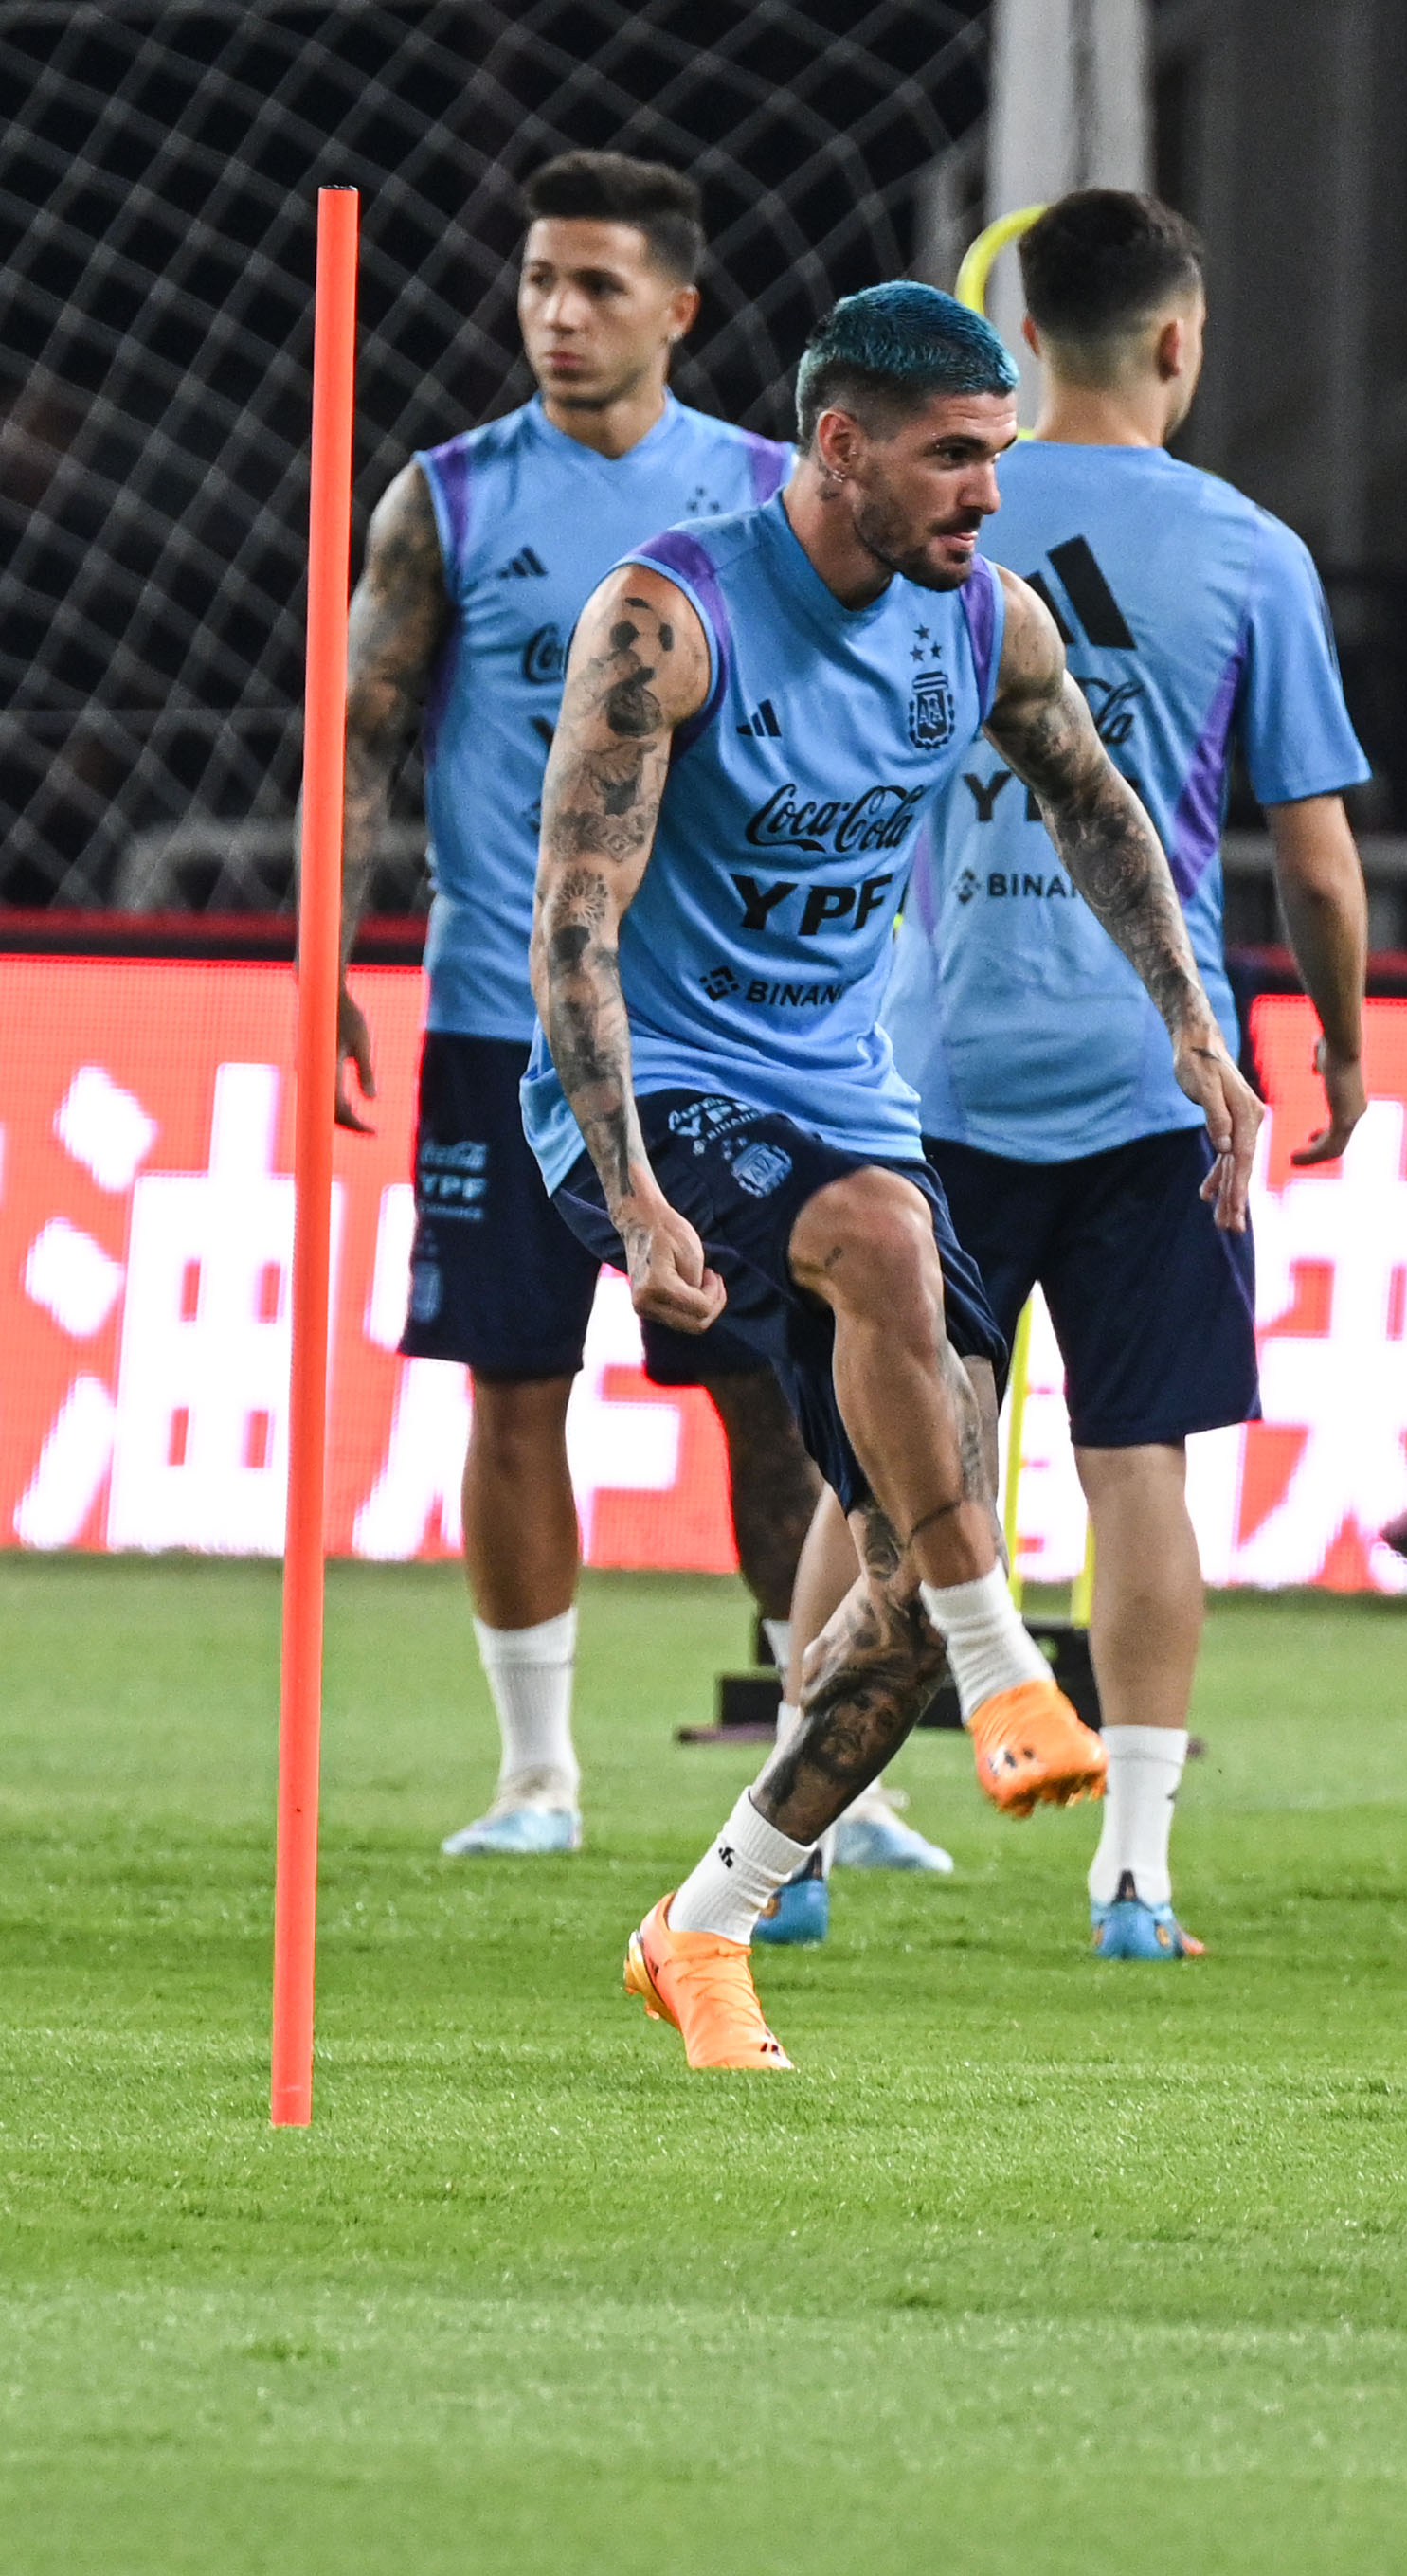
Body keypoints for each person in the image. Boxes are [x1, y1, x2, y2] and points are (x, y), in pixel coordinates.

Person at [529, 282, 1265, 2069]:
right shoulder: (671, 619)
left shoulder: (983, 621)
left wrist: (1191, 1028)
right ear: (840, 447)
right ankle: (1006, 1642)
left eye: (998, 458)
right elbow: (574, 926)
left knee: (885, 1607)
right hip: (658, 1104)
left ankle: (701, 1932)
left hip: (842, 1102)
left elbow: (1101, 806)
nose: (988, 497)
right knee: (876, 1243)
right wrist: (628, 1191)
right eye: (953, 458)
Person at [316, 149, 879, 1864]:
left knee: (774, 1397)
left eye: (598, 286)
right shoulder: (450, 499)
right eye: (539, 283)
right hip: (498, 1015)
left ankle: (825, 1759)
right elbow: (357, 725)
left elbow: (867, 727)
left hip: (714, 1030)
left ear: (678, 309)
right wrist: (321, 954)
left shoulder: (775, 498)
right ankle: (536, 1776)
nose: (559, 316)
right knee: (509, 1384)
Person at [873, 188, 1374, 1961]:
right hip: (1157, 1081)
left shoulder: (921, 522)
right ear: (1180, 340)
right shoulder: (1247, 552)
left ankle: (820, 1822)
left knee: (892, 1460)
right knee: (1136, 1460)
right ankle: (1136, 1875)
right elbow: (1311, 859)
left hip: (921, 1069)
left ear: (1017, 349)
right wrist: (1341, 1045)